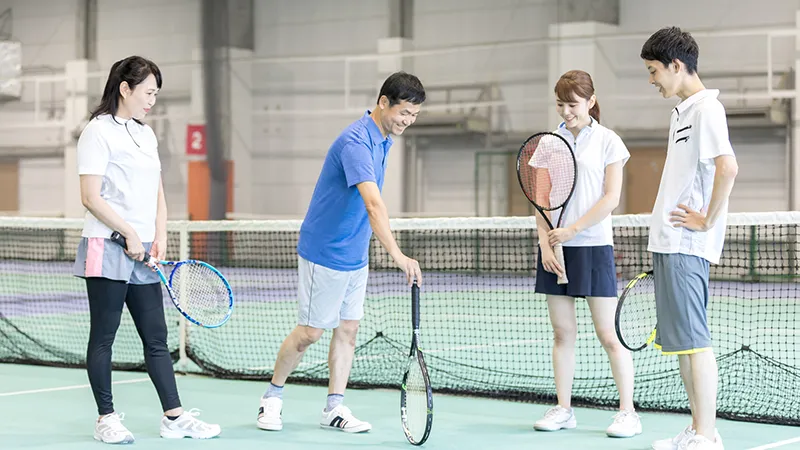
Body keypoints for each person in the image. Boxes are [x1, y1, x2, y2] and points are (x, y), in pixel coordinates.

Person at [256, 71, 426, 433]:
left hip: (355, 252)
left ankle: (334, 408)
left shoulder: (383, 138)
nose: (407, 122)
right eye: (404, 113)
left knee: (348, 330)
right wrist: (397, 255)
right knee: (310, 333)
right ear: (383, 103)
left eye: (414, 115)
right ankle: (271, 398)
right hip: (325, 252)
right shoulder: (356, 143)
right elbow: (373, 205)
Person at [73, 55, 221, 444]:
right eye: (148, 92)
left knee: (156, 336)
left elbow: (156, 191)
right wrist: (128, 232)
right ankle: (105, 418)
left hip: (143, 252)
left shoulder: (146, 134)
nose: (152, 100)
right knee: (103, 335)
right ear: (125, 88)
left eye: (156, 93)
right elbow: (89, 196)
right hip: (106, 246)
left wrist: (160, 232)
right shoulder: (97, 132)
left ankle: (173, 417)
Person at [641, 27, 738, 450]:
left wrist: (707, 220)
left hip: (686, 244)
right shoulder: (681, 111)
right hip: (668, 243)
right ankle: (698, 427)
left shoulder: (707, 110)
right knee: (683, 345)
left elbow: (728, 167)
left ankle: (706, 435)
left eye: (654, 71)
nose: (652, 80)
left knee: (695, 342)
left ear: (676, 66)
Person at [531, 70, 641, 438]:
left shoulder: (609, 141)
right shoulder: (549, 142)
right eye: (560, 104)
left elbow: (611, 197)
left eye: (573, 104)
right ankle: (563, 409)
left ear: (590, 102)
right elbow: (540, 199)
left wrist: (573, 230)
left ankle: (628, 412)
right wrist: (546, 243)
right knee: (562, 335)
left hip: (593, 245)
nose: (566, 111)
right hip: (556, 250)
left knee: (609, 335)